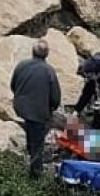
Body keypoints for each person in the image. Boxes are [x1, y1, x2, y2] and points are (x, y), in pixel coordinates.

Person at [10, 40, 61, 178]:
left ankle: (29, 149)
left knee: (31, 131)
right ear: (46, 55)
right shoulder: (49, 70)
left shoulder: (21, 65)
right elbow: (55, 98)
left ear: (33, 52)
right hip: (37, 113)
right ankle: (35, 176)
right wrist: (52, 108)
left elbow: (13, 85)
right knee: (38, 143)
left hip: (20, 108)